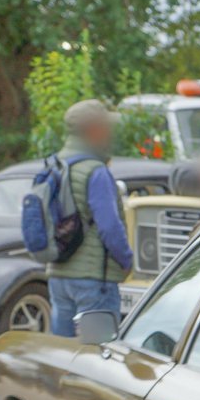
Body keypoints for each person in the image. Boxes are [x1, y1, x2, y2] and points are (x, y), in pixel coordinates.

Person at [47, 99, 133, 336]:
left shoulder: (54, 165)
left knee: (62, 354)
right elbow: (109, 226)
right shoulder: (95, 171)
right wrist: (126, 260)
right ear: (94, 131)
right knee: (97, 353)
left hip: (58, 275)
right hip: (94, 279)